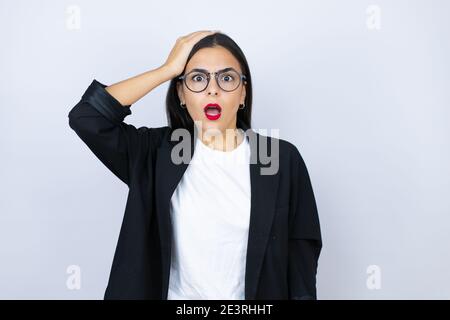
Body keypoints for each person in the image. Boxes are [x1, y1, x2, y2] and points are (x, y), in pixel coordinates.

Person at [68, 30, 322, 300]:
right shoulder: (157, 152)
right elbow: (87, 117)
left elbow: (301, 254)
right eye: (197, 78)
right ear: (181, 93)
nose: (213, 89)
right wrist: (166, 70)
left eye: (227, 78)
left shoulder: (278, 158)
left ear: (243, 94)